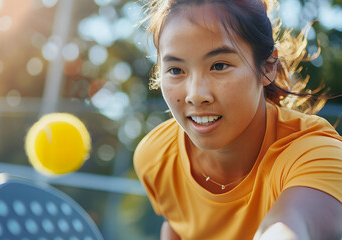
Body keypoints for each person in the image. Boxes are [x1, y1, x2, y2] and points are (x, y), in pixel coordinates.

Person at [133, 0, 342, 239]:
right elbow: (177, 225)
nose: (196, 95)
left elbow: (290, 227)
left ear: (267, 68)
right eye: (176, 70)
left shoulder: (318, 153)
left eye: (219, 65)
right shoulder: (154, 157)